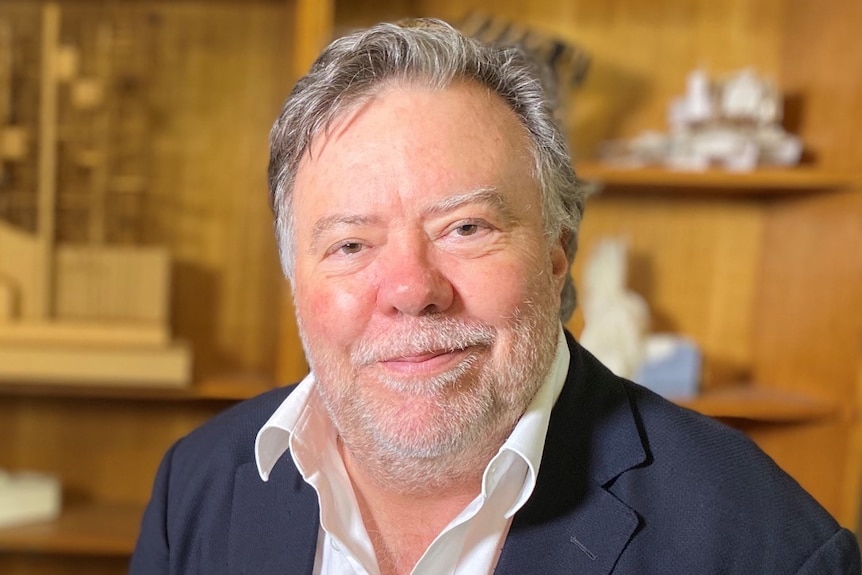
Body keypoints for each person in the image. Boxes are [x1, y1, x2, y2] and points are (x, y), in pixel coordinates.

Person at [130, 18, 861, 575]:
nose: (413, 290)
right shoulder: (192, 492)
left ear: (555, 256)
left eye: (467, 226)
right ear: (297, 277)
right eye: (351, 244)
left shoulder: (764, 546)